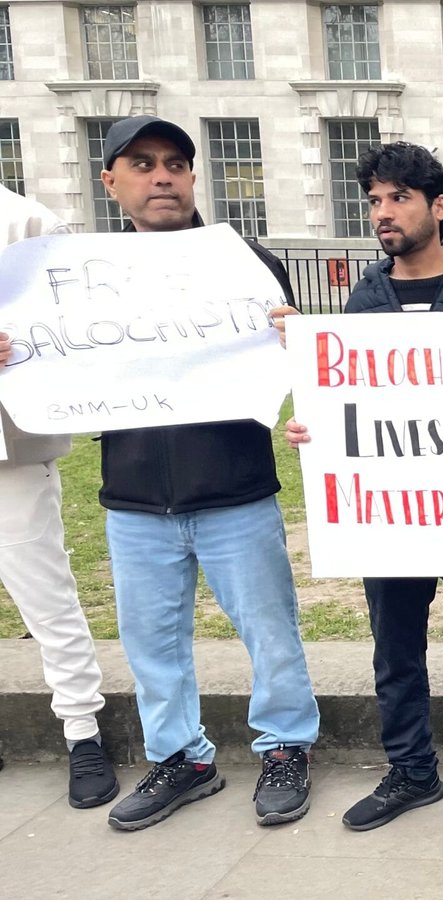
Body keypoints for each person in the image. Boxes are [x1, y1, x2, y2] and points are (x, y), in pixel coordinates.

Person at [284, 142, 443, 832]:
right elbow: (344, 395)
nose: (383, 212)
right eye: (374, 200)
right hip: (386, 513)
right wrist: (316, 429)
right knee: (394, 647)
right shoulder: (365, 296)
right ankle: (412, 772)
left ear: (439, 207)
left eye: (398, 198)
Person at [89, 115, 319, 831]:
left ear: (193, 176)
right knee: (151, 643)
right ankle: (181, 758)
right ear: (112, 181)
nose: (162, 176)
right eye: (143, 163)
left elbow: (304, 367)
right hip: (132, 498)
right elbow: (61, 368)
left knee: (270, 631)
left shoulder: (244, 264)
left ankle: (285, 747)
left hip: (233, 490)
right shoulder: (82, 280)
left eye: (176, 164)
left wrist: (298, 338)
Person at [0, 185, 118, 809]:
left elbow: (70, 325)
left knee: (46, 597)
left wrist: (17, 345)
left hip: (9, 448)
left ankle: (82, 732)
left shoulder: (23, 219)